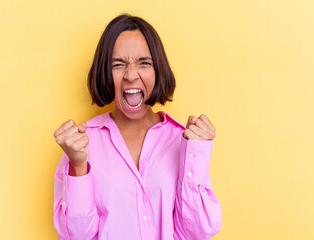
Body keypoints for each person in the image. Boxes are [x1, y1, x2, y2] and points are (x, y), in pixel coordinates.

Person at [53, 14, 222, 240]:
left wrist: (197, 155)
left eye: (144, 63)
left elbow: (197, 232)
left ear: (158, 70)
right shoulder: (81, 145)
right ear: (105, 72)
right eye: (118, 64)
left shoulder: (182, 140)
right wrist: (78, 166)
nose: (131, 75)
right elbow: (78, 236)